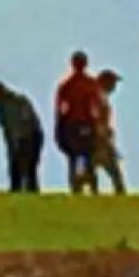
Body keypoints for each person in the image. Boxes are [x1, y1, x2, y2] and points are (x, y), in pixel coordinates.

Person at [54, 51, 104, 195]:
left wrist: (59, 128)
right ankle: (90, 189)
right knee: (87, 159)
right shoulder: (89, 84)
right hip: (84, 125)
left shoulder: (66, 85)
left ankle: (78, 189)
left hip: (73, 125)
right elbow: (97, 107)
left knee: (75, 159)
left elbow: (60, 110)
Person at [0, 80, 43, 193]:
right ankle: (15, 189)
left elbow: (27, 121)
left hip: (31, 135)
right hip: (15, 138)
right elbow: (5, 126)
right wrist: (11, 143)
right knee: (14, 165)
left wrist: (21, 139)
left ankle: (31, 190)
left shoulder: (19, 101)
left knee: (29, 166)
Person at [94, 69, 128, 196]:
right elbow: (98, 119)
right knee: (114, 172)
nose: (114, 87)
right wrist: (104, 137)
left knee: (91, 170)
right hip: (99, 141)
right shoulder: (99, 97)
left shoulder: (98, 96)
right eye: (113, 83)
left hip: (97, 139)